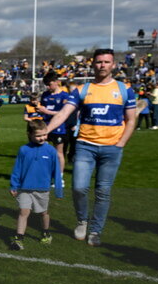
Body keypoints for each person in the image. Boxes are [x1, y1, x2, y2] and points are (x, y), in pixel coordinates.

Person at [45, 48, 137, 247]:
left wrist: (121, 143)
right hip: (85, 146)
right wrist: (46, 131)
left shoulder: (124, 90)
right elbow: (62, 114)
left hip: (112, 149)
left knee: (103, 192)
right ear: (93, 64)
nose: (102, 65)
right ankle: (82, 220)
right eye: (99, 62)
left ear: (113, 65)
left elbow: (131, 120)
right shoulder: (82, 90)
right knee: (78, 188)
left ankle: (95, 230)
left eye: (106, 62)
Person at [9, 119, 63, 250]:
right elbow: (17, 168)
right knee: (23, 211)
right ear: (30, 134)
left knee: (43, 212)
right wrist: (14, 185)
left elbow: (56, 171)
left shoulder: (51, 151)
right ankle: (19, 238)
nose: (42, 138)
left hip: (42, 189)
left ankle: (45, 232)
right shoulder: (23, 150)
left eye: (44, 135)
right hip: (25, 188)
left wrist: (58, 189)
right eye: (38, 135)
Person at [38, 72, 70, 174]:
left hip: (58, 127)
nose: (47, 87)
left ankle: (59, 177)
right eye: (46, 85)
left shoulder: (64, 96)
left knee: (58, 153)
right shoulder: (45, 95)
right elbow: (43, 108)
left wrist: (47, 112)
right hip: (45, 127)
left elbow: (64, 113)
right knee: (43, 151)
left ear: (57, 82)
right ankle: (45, 172)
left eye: (49, 84)